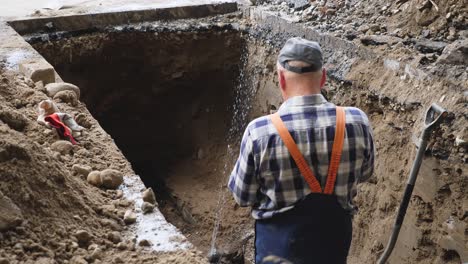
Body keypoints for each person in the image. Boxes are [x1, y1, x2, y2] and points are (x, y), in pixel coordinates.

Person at [228, 37, 375, 264]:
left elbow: (242, 195)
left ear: (280, 78)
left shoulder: (259, 132)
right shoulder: (357, 121)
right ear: (324, 77)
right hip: (332, 250)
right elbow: (365, 173)